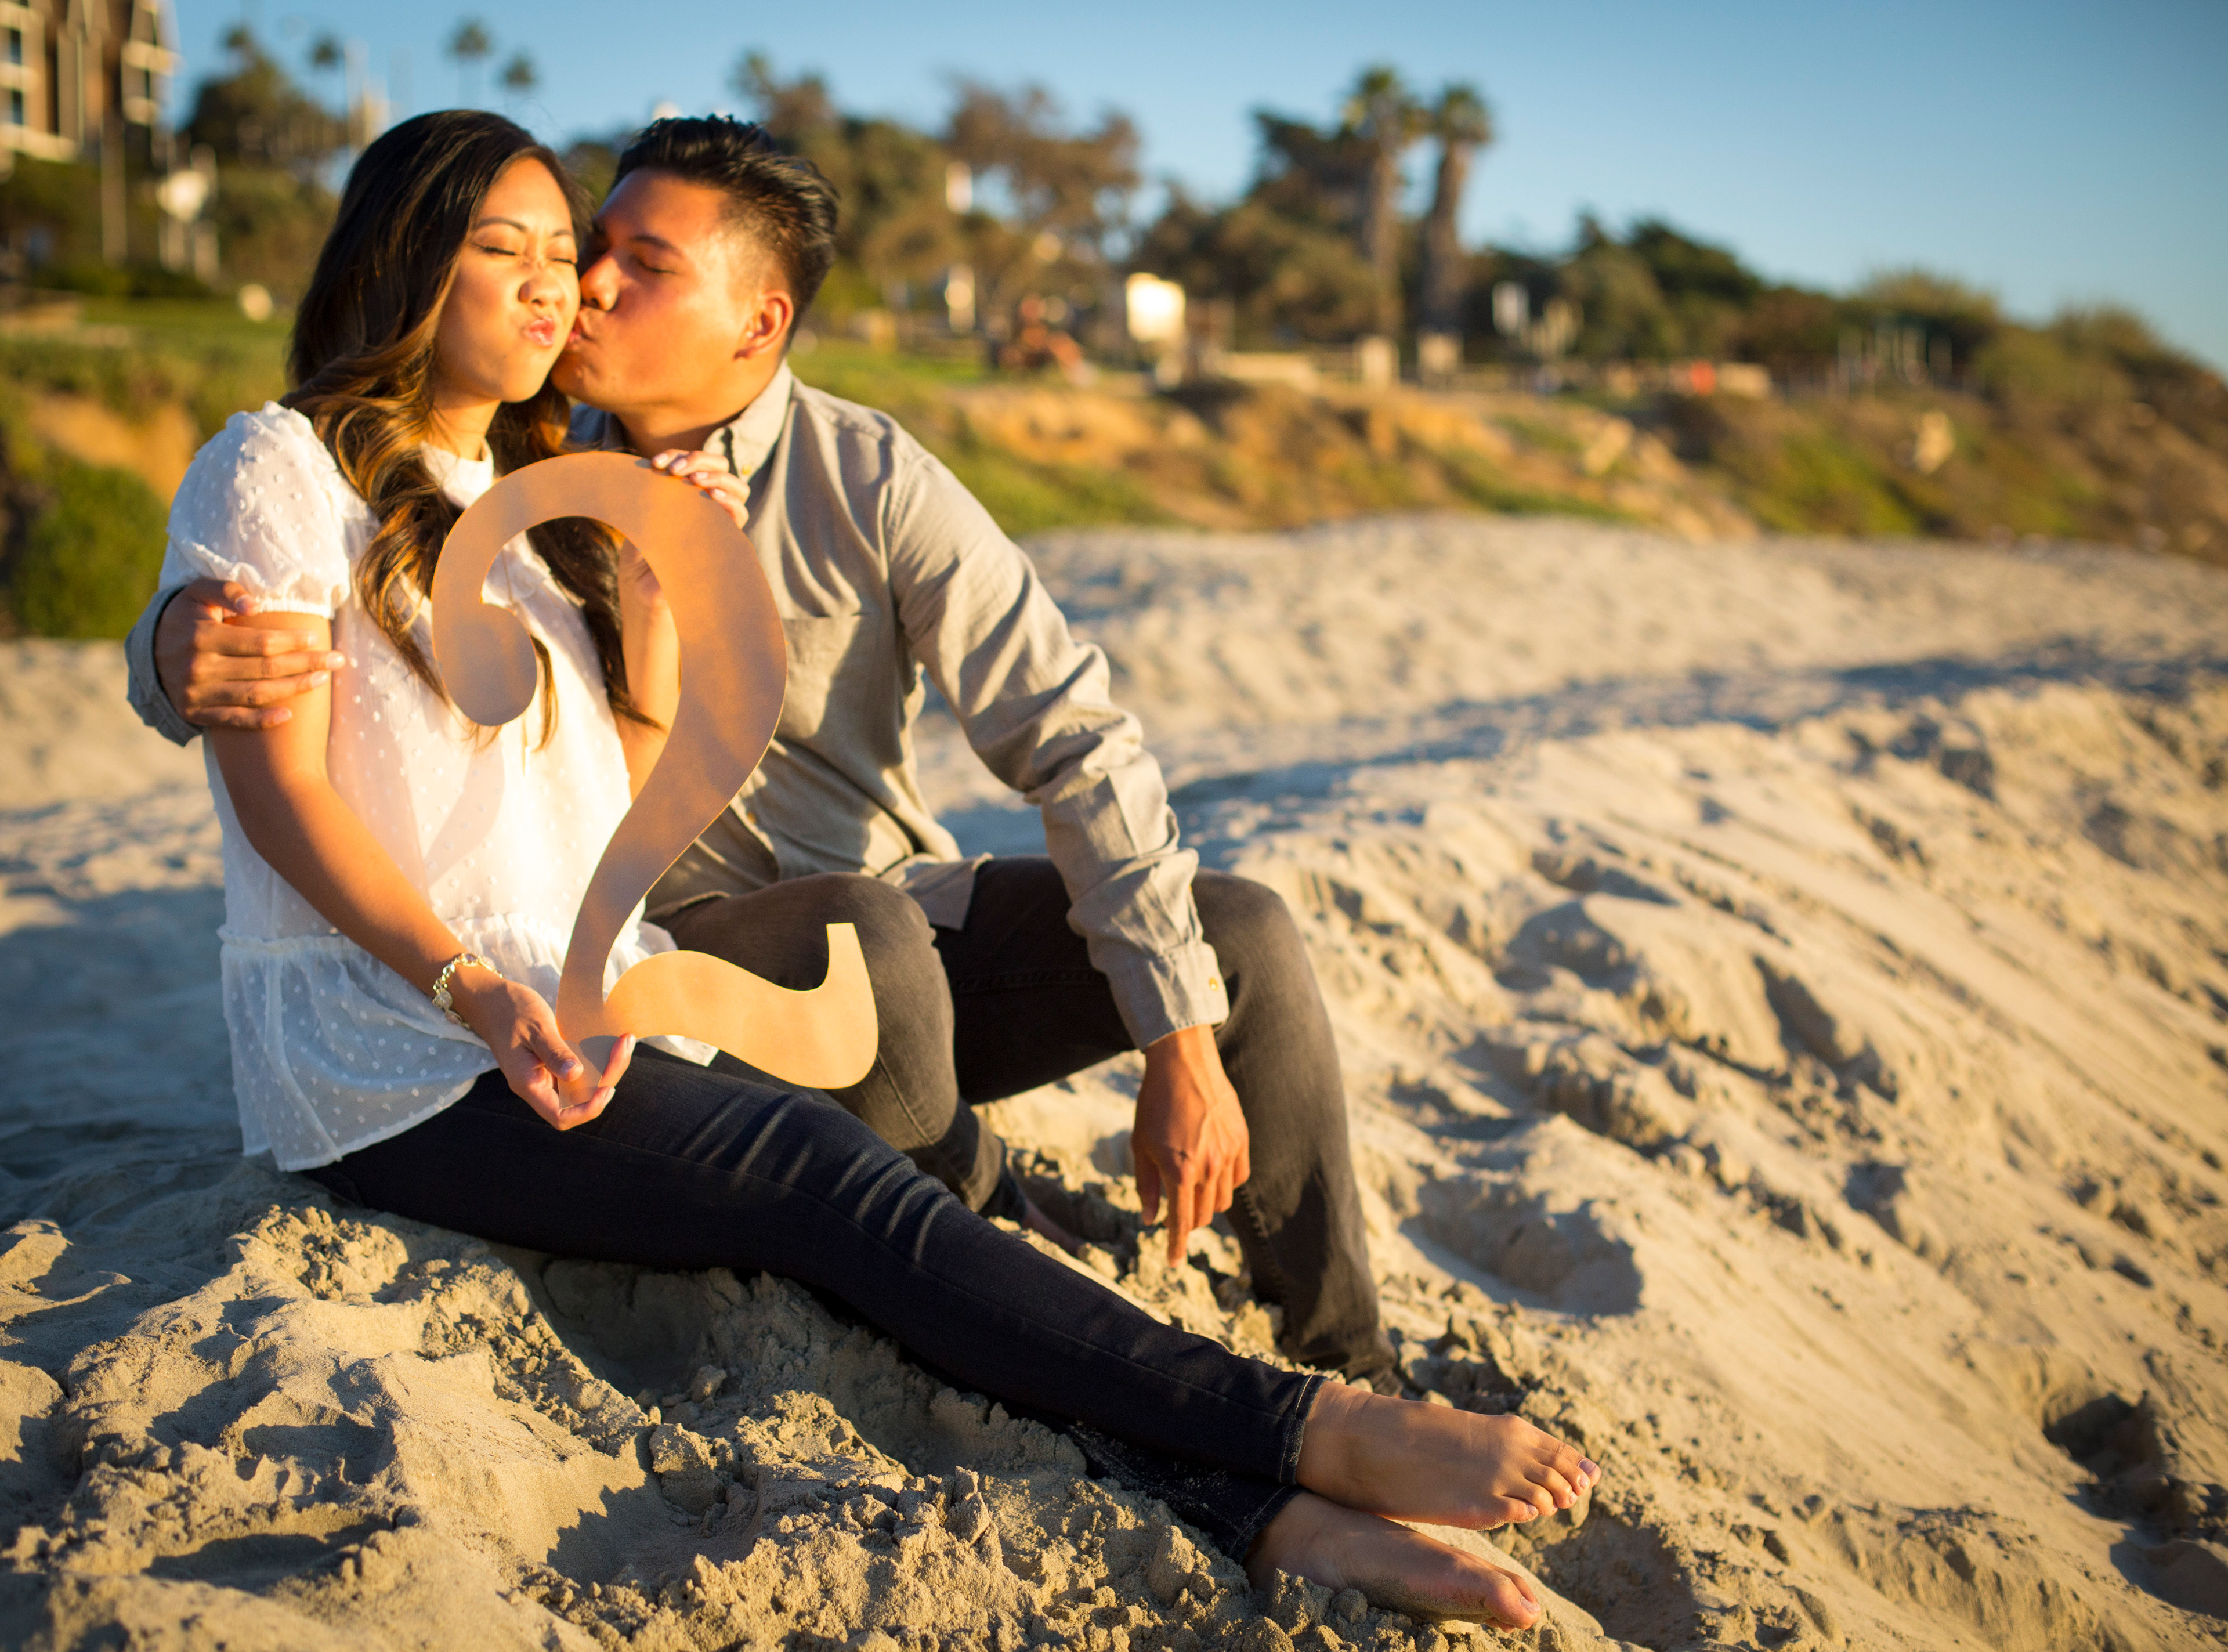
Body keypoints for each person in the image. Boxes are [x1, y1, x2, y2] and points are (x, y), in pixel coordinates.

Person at [163, 106, 1596, 1628]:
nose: (574, 290)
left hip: (673, 968)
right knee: (850, 1116)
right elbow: (282, 678)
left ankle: (1319, 1415)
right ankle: (1196, 1365)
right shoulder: (434, 462)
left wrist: (1179, 1043)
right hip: (540, 997)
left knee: (1175, 957)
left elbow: (1036, 734)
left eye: (607, 260)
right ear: (411, 258)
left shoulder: (711, 489)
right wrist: (174, 640)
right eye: (541, 251)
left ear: (758, 321)